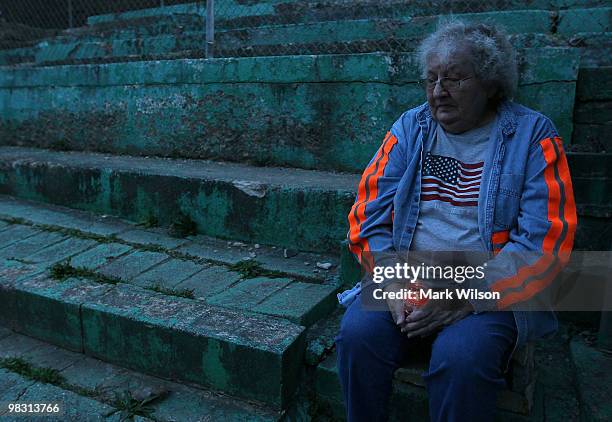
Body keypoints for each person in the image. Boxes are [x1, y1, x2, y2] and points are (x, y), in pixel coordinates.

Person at [335, 20, 577, 422]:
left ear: (491, 84)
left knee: (461, 359)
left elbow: (544, 245)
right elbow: (367, 216)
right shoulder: (410, 128)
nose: (437, 92)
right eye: (430, 80)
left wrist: (464, 298)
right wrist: (392, 281)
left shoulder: (534, 136)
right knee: (357, 337)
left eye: (455, 79)